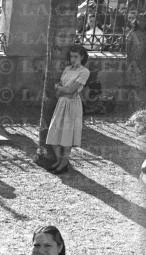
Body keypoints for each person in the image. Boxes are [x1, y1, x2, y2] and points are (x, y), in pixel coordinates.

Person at [45, 45, 91, 175]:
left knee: (67, 135)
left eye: (76, 56)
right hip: (61, 103)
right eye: (71, 56)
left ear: (82, 57)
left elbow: (71, 91)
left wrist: (60, 88)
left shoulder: (84, 72)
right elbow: (60, 92)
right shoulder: (66, 69)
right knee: (53, 132)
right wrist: (62, 90)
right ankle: (60, 160)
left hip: (73, 106)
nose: (73, 59)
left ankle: (64, 164)